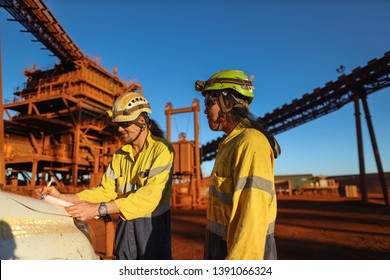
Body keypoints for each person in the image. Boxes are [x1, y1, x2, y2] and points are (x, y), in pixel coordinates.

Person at [35, 91, 175, 260]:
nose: (119, 129)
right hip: (125, 224)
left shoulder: (162, 150)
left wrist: (98, 209)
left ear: (142, 121)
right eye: (117, 124)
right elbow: (104, 191)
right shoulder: (120, 155)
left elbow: (150, 196)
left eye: (124, 124)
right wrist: (63, 196)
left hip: (152, 228)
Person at [194, 70, 281, 260]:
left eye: (210, 102)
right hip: (221, 246)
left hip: (245, 253)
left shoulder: (250, 143)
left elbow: (252, 218)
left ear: (229, 103)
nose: (205, 110)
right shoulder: (229, 143)